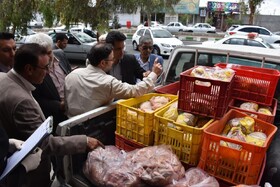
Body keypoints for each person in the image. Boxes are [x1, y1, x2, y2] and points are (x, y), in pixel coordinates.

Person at [0, 43, 104, 187]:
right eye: (45, 68)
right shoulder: (21, 101)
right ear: (29, 69)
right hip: (30, 176)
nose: (49, 72)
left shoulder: (3, 78)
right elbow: (45, 143)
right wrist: (84, 141)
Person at [65, 43, 162, 117]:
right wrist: (154, 74)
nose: (113, 62)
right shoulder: (107, 82)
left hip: (69, 124)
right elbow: (135, 90)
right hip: (92, 128)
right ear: (103, 63)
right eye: (112, 59)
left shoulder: (71, 75)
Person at [26, 33, 71, 128]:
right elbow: (36, 98)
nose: (48, 57)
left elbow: (69, 73)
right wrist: (59, 105)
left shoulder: (61, 55)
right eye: (43, 54)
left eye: (49, 52)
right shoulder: (33, 70)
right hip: (54, 117)